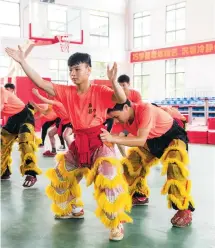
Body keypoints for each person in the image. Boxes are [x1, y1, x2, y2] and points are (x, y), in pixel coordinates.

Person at [6, 46, 132, 241]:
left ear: (88, 70)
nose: (73, 74)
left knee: (109, 182)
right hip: (78, 142)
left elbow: (121, 98)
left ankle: (116, 224)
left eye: (77, 69)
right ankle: (76, 208)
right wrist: (23, 62)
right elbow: (40, 82)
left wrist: (113, 81)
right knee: (61, 176)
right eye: (70, 70)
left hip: (99, 142)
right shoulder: (66, 92)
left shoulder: (100, 90)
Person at [100, 100, 195, 228]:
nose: (115, 121)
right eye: (113, 118)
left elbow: (139, 140)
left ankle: (184, 209)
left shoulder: (145, 109)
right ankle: (140, 195)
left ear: (126, 107)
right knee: (131, 164)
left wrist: (113, 138)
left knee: (174, 167)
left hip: (172, 137)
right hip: (151, 140)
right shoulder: (123, 119)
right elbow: (118, 138)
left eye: (117, 116)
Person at [1, 87, 42, 187]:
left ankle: (31, 174)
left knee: (25, 143)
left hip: (25, 116)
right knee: (2, 143)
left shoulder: (1, 90)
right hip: (13, 118)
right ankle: (4, 170)